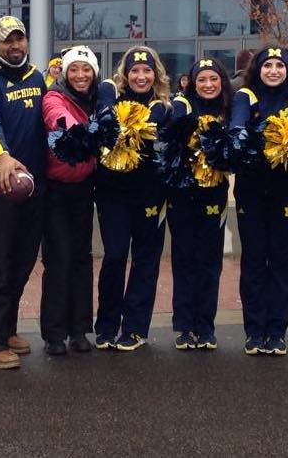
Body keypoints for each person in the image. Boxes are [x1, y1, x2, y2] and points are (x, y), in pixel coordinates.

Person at [0, 16, 47, 369]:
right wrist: (3, 156)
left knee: (22, 260)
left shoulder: (37, 77)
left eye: (20, 39)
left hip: (35, 188)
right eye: (7, 41)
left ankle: (7, 327)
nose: (14, 46)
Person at [230, 45, 288, 356]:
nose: (274, 70)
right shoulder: (245, 96)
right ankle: (254, 331)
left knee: (280, 260)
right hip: (251, 189)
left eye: (279, 65)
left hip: (286, 191)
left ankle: (277, 332)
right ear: (257, 69)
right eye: (267, 65)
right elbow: (237, 126)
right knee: (253, 259)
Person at [94, 45, 170, 351]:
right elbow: (104, 108)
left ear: (156, 74)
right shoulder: (111, 95)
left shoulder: (164, 105)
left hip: (151, 194)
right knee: (113, 256)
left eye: (147, 70)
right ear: (126, 73)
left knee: (145, 261)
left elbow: (157, 122)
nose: (140, 76)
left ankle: (136, 327)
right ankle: (107, 325)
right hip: (113, 193)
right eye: (135, 70)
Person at [166, 58, 232, 351]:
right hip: (181, 194)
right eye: (202, 80)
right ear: (192, 82)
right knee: (183, 260)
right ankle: (184, 326)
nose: (208, 85)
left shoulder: (230, 110)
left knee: (209, 262)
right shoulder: (182, 105)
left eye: (213, 79)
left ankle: (205, 326)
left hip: (214, 195)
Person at [40, 45, 100, 356]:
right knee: (58, 259)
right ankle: (54, 334)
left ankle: (79, 330)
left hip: (83, 189)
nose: (80, 75)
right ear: (64, 72)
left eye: (86, 69)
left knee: (81, 258)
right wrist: (73, 130)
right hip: (55, 190)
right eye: (74, 69)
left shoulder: (98, 99)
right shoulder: (55, 96)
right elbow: (55, 116)